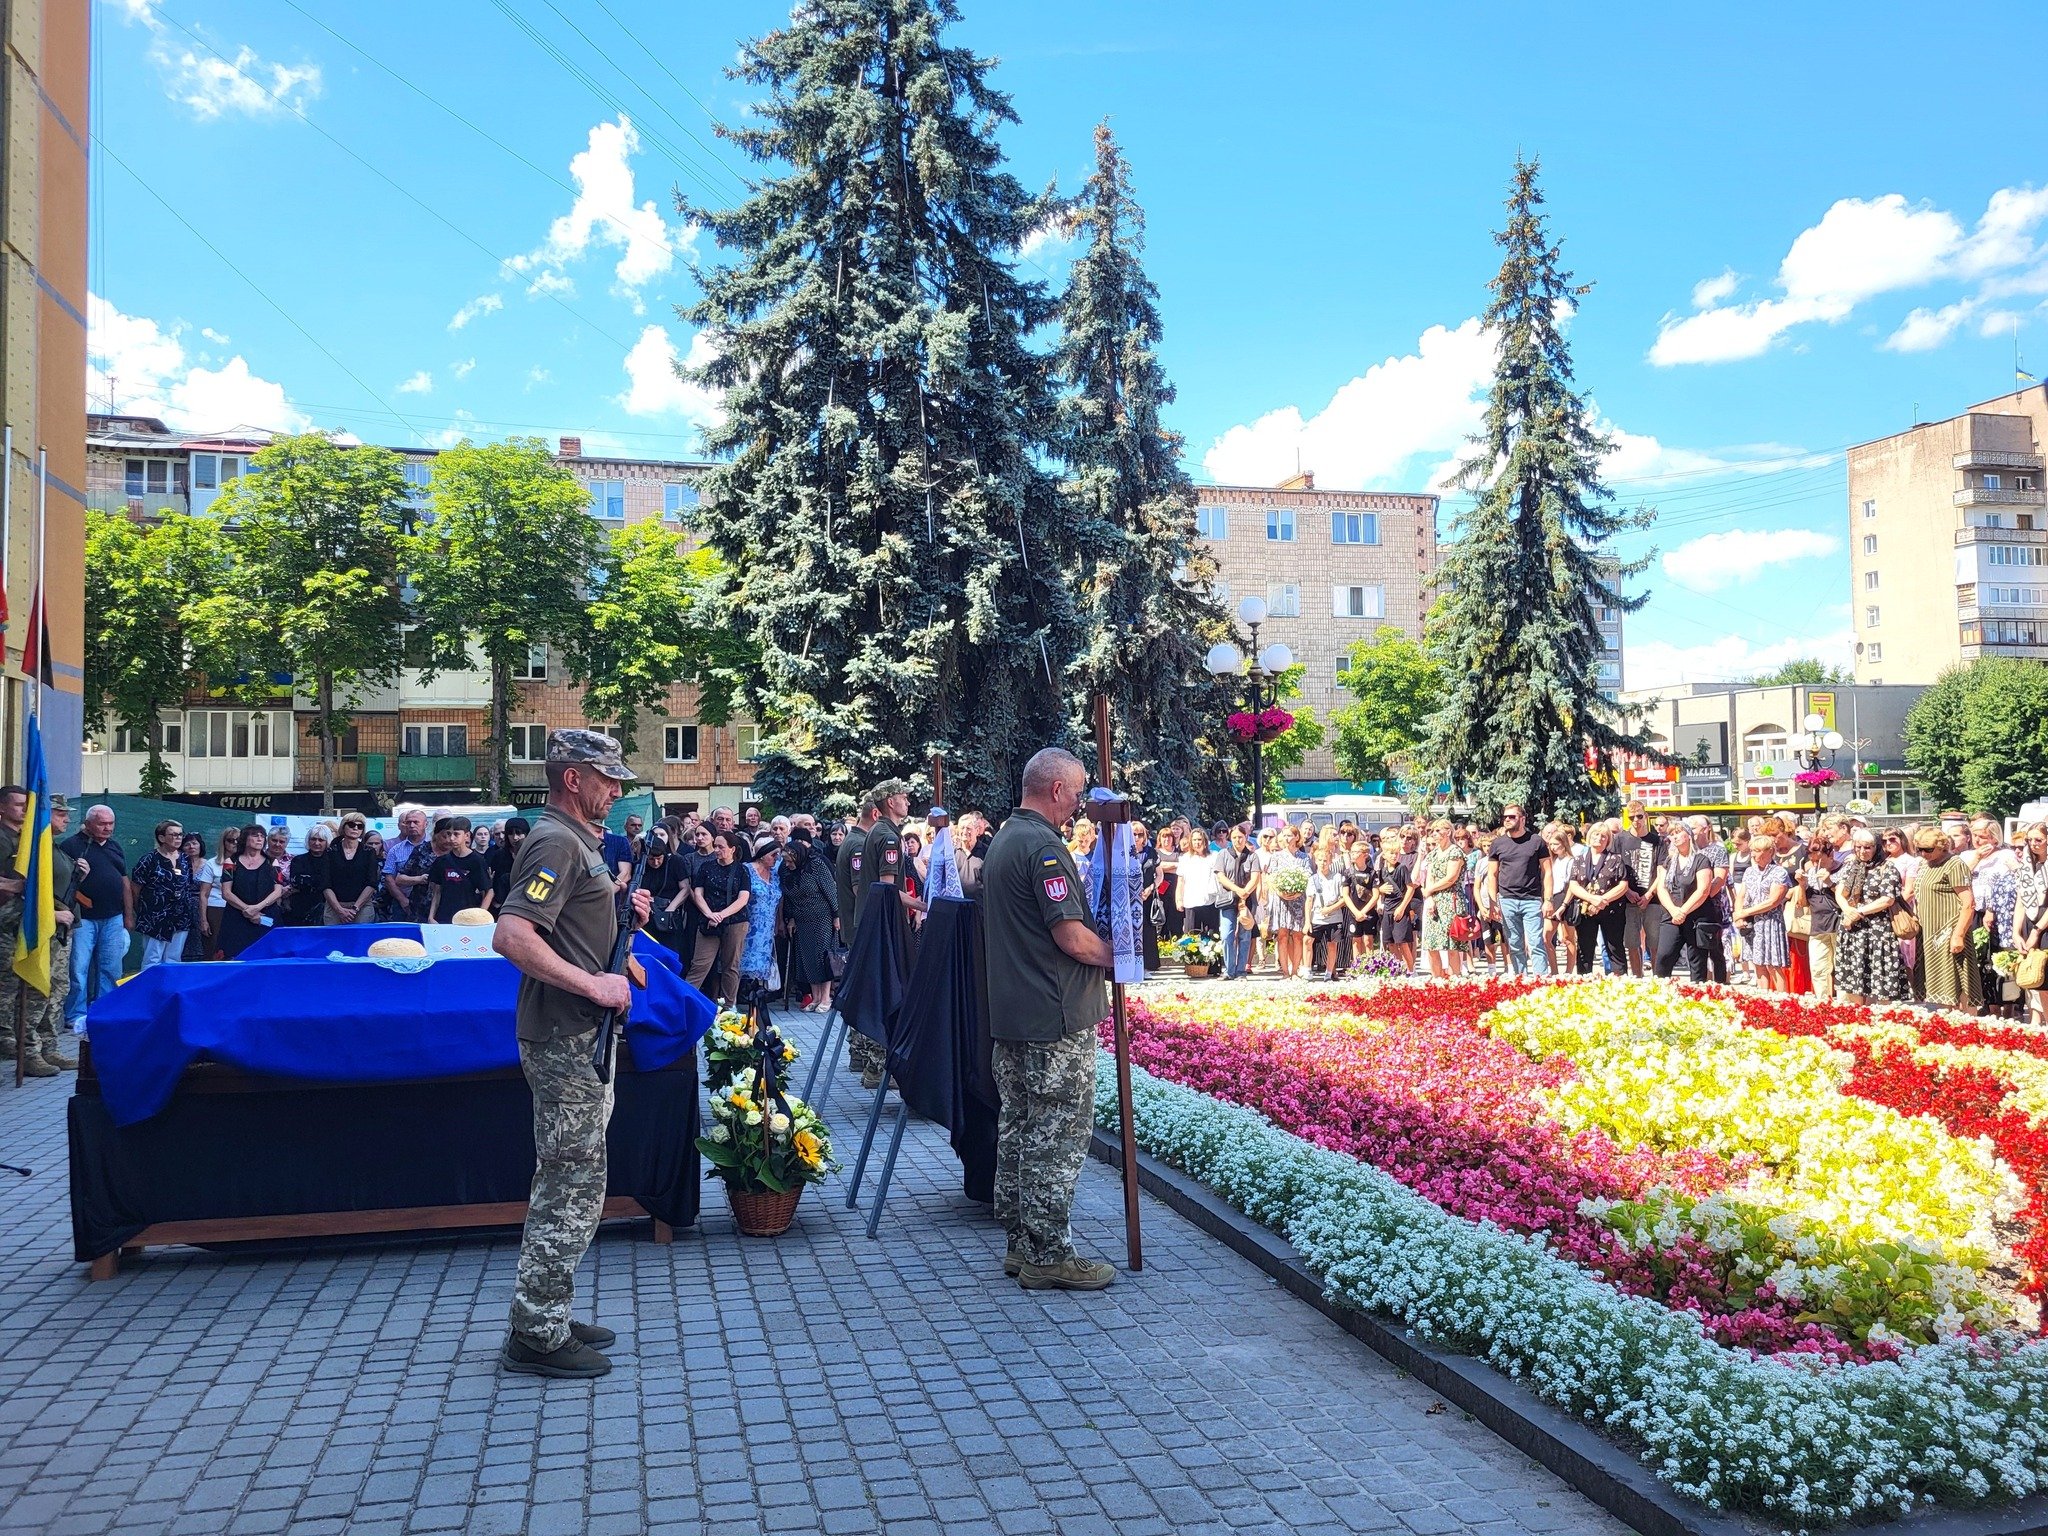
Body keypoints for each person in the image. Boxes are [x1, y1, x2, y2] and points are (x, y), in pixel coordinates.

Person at [493, 730, 651, 1380]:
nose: (615, 791)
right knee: (569, 1184)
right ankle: (536, 1332)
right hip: (565, 1037)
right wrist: (594, 985)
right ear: (572, 778)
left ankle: (547, 1311)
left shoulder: (578, 840)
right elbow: (512, 935)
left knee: (576, 1181)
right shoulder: (557, 840)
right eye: (606, 779)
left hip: (580, 1036)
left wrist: (619, 915)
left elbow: (569, 927)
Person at [984, 747, 1115, 1292]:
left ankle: (1020, 1242)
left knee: (1018, 1127)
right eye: (1078, 792)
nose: (1079, 803)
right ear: (1057, 789)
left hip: (1016, 1013)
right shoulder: (1043, 846)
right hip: (1053, 1018)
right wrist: (1119, 957)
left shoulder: (1005, 838)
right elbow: (1072, 937)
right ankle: (1048, 1253)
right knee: (1056, 1134)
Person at [62, 804, 131, 1025]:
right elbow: (62, 883)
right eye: (102, 823)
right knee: (78, 968)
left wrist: (129, 914)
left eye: (111, 823)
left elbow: (124, 881)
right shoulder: (71, 845)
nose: (108, 828)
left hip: (113, 916)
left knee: (111, 967)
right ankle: (76, 1015)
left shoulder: (115, 846)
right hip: (83, 917)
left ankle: (105, 1011)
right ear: (88, 823)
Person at [1835, 830, 1907, 1005]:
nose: (1862, 851)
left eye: (1867, 847)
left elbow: (1887, 899)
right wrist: (1848, 910)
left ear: (1877, 847)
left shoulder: (1887, 868)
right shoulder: (1850, 866)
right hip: (1852, 930)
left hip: (1878, 932)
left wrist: (1859, 913)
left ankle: (1882, 1015)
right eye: (1858, 847)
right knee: (1853, 976)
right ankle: (1858, 1014)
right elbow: (1840, 892)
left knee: (1881, 978)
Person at [1914, 827, 1980, 1012]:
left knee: (1960, 979)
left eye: (1928, 849)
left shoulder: (1954, 864)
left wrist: (1958, 935)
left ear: (1942, 846)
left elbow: (1968, 903)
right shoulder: (1925, 865)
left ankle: (1967, 1023)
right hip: (1929, 932)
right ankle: (1946, 1023)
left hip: (1949, 930)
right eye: (1919, 849)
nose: (1923, 853)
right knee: (1939, 982)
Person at [1482, 803, 1551, 977]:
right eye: (1505, 817)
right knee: (1514, 943)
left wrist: (1548, 900)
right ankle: (1521, 979)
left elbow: (1548, 872)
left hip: (1532, 899)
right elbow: (1492, 875)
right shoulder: (1498, 844)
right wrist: (1492, 902)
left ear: (1522, 819)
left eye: (1512, 816)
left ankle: (1541, 979)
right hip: (1507, 899)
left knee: (1536, 942)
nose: (1507, 819)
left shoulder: (1536, 841)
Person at [687, 829, 752, 1008]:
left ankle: (729, 1007)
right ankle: (684, 1001)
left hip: (735, 921)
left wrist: (721, 915)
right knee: (699, 964)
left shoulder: (742, 870)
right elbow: (697, 893)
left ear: (732, 849)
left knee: (731, 966)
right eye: (715, 846)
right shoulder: (706, 867)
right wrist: (709, 914)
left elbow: (743, 899)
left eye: (721, 847)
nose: (716, 850)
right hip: (708, 921)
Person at [1650, 822, 1719, 981]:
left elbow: (1703, 890)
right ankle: (1661, 990)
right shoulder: (1669, 861)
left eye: (1678, 832)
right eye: (1672, 834)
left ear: (1688, 836)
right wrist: (1674, 910)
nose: (1674, 837)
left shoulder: (1701, 860)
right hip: (1672, 915)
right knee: (1664, 956)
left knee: (1697, 960)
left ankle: (1697, 992)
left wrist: (1683, 911)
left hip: (1696, 916)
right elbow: (1662, 888)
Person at [780, 832, 839, 1013]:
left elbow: (831, 890)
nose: (787, 864)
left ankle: (826, 997)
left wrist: (837, 915)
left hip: (822, 917)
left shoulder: (816, 865)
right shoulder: (786, 871)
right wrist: (790, 918)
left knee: (822, 956)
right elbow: (788, 898)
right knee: (807, 958)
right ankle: (815, 996)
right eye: (786, 861)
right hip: (801, 919)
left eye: (790, 861)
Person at [130, 819, 196, 969]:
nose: (178, 838)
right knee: (152, 959)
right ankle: (149, 984)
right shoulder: (148, 859)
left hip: (180, 917)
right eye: (173, 835)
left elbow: (188, 885)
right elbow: (135, 888)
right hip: (155, 917)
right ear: (161, 837)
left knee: (174, 960)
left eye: (180, 834)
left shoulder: (185, 859)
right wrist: (141, 910)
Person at [1734, 832, 1793, 992]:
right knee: (1758, 964)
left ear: (1770, 852)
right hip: (1752, 924)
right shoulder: (1749, 871)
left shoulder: (1779, 872)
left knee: (1773, 965)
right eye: (1753, 850)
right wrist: (1738, 915)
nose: (1754, 855)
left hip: (1770, 923)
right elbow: (1741, 895)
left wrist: (1745, 912)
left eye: (1758, 851)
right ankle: (1762, 999)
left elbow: (1773, 901)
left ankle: (1782, 1000)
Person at [1566, 821, 1628, 974]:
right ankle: (1584, 980)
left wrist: (1602, 901)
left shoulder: (1616, 859)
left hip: (1611, 910)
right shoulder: (1578, 859)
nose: (1599, 838)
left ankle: (1620, 980)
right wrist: (1592, 899)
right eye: (1596, 834)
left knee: (1615, 948)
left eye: (1603, 836)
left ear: (1608, 840)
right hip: (1586, 911)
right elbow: (1573, 885)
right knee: (1584, 949)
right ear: (1589, 836)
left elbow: (1623, 885)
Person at [1611, 801, 1663, 977]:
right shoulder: (1620, 840)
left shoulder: (1657, 841)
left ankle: (1657, 980)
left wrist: (1649, 894)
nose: (1636, 820)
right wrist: (1626, 891)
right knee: (1632, 944)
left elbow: (1661, 872)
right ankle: (1637, 979)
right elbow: (1614, 869)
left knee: (1655, 943)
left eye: (1639, 816)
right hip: (1627, 899)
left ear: (1646, 816)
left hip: (1652, 899)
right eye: (1631, 817)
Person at [217, 825, 284, 959]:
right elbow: (226, 892)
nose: (259, 839)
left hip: (265, 915)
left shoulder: (272, 862)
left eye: (262, 836)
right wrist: (247, 909)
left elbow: (278, 891)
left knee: (267, 955)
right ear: (245, 839)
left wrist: (257, 908)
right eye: (255, 835)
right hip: (237, 916)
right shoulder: (231, 862)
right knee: (234, 955)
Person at [1793, 842, 1841, 1000]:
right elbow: (1802, 903)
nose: (1815, 864)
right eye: (1812, 860)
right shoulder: (1811, 872)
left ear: (1830, 855)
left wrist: (1830, 883)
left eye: (1819, 859)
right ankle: (1823, 1002)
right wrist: (1802, 885)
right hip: (1818, 925)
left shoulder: (1841, 870)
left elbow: (1847, 897)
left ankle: (1844, 1003)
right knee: (1818, 967)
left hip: (1838, 923)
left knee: (1841, 966)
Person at [1419, 820, 1467, 979]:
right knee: (1432, 943)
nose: (1434, 834)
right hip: (1434, 900)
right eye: (1433, 831)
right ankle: (1437, 980)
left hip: (1451, 900)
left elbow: (1451, 878)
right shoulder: (1433, 854)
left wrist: (1430, 890)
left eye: (1438, 830)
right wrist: (1429, 897)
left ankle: (1454, 979)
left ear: (1448, 832)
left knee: (1452, 944)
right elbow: (1430, 876)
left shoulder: (1455, 852)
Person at [738, 835, 784, 995]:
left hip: (767, 927)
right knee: (740, 961)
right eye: (773, 854)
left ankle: (757, 997)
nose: (776, 858)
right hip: (748, 923)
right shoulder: (746, 870)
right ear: (763, 854)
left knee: (762, 962)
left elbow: (780, 899)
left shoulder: (775, 874)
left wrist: (779, 922)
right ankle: (735, 997)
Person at [427, 817, 494, 922]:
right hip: (444, 916)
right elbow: (437, 891)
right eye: (449, 834)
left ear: (466, 835)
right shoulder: (441, 861)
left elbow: (488, 891)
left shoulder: (477, 861)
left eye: (456, 834)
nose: (451, 838)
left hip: (468, 916)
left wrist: (480, 915)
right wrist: (431, 916)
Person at [1215, 824, 1260, 979]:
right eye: (1234, 837)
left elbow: (1255, 877)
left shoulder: (1252, 856)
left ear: (1245, 837)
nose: (1237, 840)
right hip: (1228, 899)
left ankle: (1241, 971)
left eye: (1240, 837)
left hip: (1246, 901)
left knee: (1244, 936)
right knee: (1226, 934)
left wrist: (1244, 893)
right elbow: (1220, 876)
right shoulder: (1223, 854)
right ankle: (1229, 970)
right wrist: (1237, 890)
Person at [322, 813, 381, 925]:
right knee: (334, 936)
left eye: (360, 826)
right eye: (351, 825)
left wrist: (355, 908)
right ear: (343, 826)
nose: (355, 828)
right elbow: (325, 884)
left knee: (361, 935)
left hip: (362, 906)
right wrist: (339, 910)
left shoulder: (369, 852)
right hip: (334, 905)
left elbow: (372, 883)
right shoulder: (330, 852)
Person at [382, 806, 431, 919]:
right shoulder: (395, 850)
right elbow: (389, 879)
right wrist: (402, 900)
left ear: (426, 824)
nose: (411, 825)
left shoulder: (435, 847)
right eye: (408, 822)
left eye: (416, 822)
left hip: (430, 902)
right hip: (402, 903)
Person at [1308, 845, 1350, 979]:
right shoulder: (1312, 879)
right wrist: (1307, 921)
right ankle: (1307, 970)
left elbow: (1344, 898)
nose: (1322, 863)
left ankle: (1329, 972)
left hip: (1334, 917)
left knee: (1332, 945)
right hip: (1317, 917)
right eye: (1320, 860)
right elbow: (1309, 900)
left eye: (1325, 860)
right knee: (1308, 941)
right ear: (1315, 861)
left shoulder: (1338, 877)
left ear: (1330, 861)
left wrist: (1330, 909)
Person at [1175, 827, 1219, 940]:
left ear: (1205, 841)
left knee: (1212, 937)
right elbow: (1181, 881)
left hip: (1210, 901)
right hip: (1191, 902)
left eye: (1199, 839)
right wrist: (1179, 900)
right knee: (1191, 938)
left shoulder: (1214, 856)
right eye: (1194, 840)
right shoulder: (1185, 859)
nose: (1197, 843)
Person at [490, 818, 532, 910]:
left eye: (518, 833)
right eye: (510, 833)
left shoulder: (532, 854)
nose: (515, 837)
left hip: (525, 903)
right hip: (503, 903)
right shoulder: (499, 855)